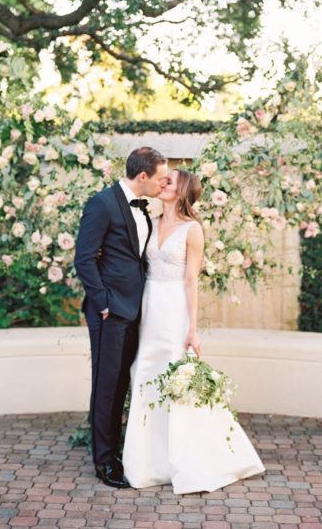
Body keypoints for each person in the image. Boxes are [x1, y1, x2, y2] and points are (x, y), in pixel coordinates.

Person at [122, 168, 265, 494]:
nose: (162, 183)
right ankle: (147, 463)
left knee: (174, 379)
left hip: (173, 310)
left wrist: (193, 330)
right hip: (148, 307)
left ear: (183, 190)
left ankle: (186, 460)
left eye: (168, 181)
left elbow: (191, 281)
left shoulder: (192, 230)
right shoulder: (150, 222)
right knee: (144, 375)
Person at [74, 147, 168, 488]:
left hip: (135, 309)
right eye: (160, 177)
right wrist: (102, 303)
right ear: (142, 176)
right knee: (107, 385)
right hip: (110, 312)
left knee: (122, 384)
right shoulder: (102, 203)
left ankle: (115, 448)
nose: (164, 183)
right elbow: (84, 259)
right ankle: (104, 461)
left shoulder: (143, 209)